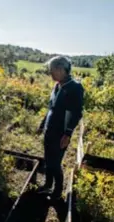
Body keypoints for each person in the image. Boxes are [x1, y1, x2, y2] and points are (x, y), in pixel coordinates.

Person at [36, 56, 84, 199]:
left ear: (61, 69)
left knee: (55, 162)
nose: (50, 73)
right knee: (48, 159)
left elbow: (76, 113)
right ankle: (47, 185)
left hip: (60, 133)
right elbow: (51, 108)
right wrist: (42, 124)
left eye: (52, 70)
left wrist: (67, 134)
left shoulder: (74, 87)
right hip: (49, 129)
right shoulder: (57, 85)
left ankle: (57, 192)